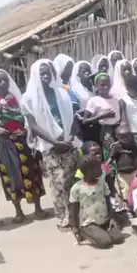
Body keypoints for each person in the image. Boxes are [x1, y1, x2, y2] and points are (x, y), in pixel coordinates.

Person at [21, 59, 81, 230]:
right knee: (59, 182)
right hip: (50, 147)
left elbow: (73, 118)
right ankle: (64, 218)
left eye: (49, 72)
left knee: (72, 181)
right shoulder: (28, 98)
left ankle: (76, 216)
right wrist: (55, 142)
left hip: (68, 143)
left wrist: (70, 138)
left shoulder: (62, 92)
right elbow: (33, 126)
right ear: (35, 75)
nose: (46, 76)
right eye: (42, 73)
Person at [0, 69, 46, 223]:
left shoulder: (18, 98)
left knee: (32, 172)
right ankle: (18, 211)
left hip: (23, 141)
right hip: (5, 143)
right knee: (10, 176)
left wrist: (26, 130)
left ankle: (38, 208)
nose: (2, 83)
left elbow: (28, 117)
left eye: (5, 79)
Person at [69, 155, 124, 249]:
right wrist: (75, 226)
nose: (101, 169)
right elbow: (74, 208)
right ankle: (84, 232)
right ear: (89, 171)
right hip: (89, 223)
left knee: (118, 239)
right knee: (105, 243)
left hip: (105, 221)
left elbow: (108, 202)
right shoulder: (77, 188)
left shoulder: (102, 184)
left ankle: (102, 231)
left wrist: (112, 218)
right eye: (98, 168)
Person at [82, 73, 120, 159]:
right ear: (96, 86)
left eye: (108, 85)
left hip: (116, 132)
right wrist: (101, 116)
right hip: (103, 133)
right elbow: (85, 121)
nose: (105, 87)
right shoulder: (93, 101)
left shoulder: (116, 100)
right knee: (107, 156)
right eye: (102, 85)